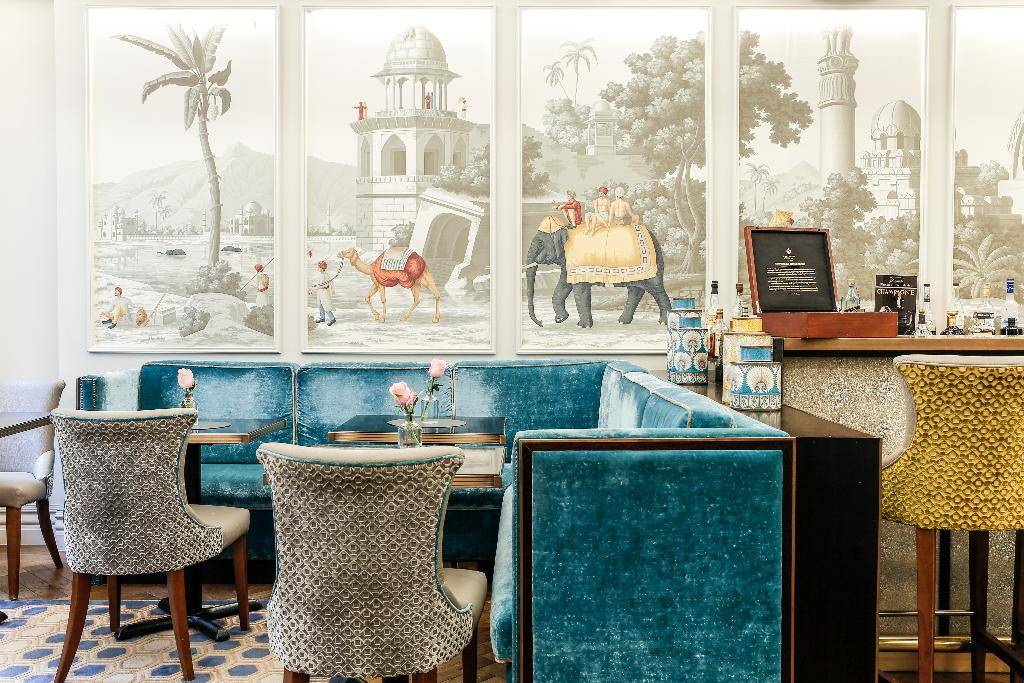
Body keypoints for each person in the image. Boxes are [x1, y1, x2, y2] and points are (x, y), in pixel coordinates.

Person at [313, 260, 337, 326]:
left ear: (322, 268)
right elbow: (318, 283)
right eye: (319, 267)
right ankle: (322, 317)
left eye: (320, 267)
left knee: (326, 305)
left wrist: (319, 286)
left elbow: (327, 285)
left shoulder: (325, 275)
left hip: (324, 292)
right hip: (320, 292)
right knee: (320, 305)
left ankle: (332, 319)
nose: (318, 268)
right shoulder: (320, 274)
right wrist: (316, 286)